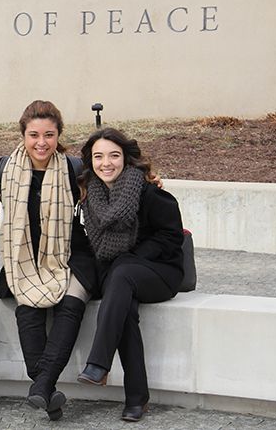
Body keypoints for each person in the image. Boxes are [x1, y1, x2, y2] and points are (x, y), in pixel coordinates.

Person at [0, 100, 97, 421]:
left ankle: (41, 386)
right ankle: (47, 391)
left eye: (49, 134)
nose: (41, 142)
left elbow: (115, 177)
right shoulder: (4, 169)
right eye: (34, 135)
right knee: (28, 308)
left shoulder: (74, 170)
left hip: (72, 254)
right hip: (23, 256)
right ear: (23, 134)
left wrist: (150, 180)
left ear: (59, 135)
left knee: (73, 302)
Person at [75, 128, 184, 422]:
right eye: (98, 156)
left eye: (114, 155)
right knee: (124, 307)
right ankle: (137, 399)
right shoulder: (90, 193)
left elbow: (171, 237)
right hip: (119, 274)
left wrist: (133, 256)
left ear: (125, 158)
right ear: (90, 161)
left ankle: (99, 363)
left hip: (160, 271)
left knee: (122, 275)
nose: (106, 163)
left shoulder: (147, 191)